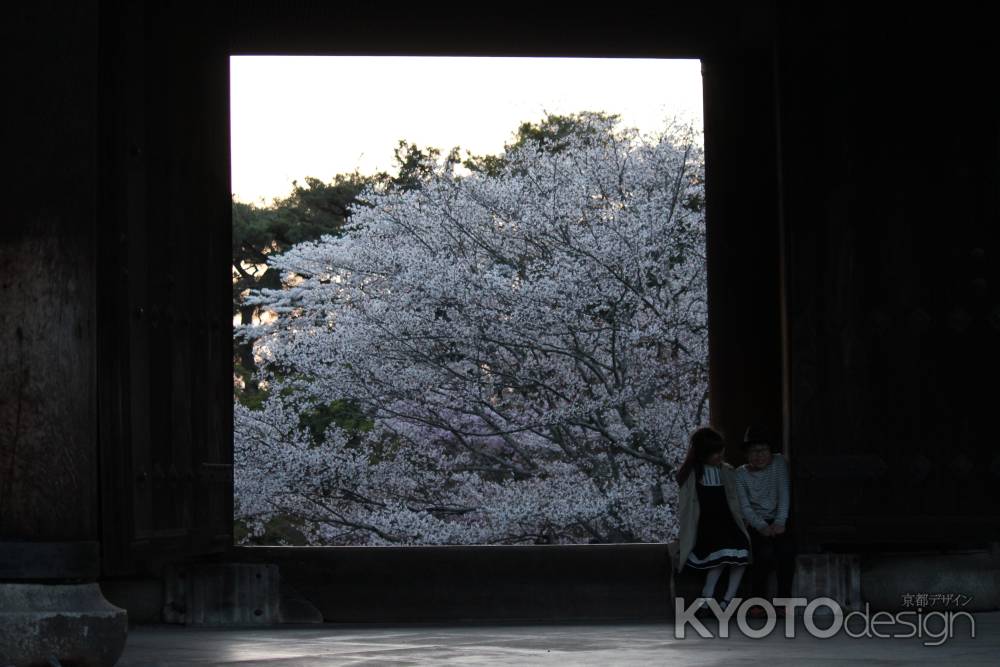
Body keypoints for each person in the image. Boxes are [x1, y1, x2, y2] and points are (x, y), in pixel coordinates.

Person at [673, 426, 752, 612]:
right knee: (721, 555)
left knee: (741, 553)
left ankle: (727, 599)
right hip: (706, 526)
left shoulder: (728, 471)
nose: (718, 456)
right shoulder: (691, 475)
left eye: (720, 451)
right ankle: (708, 595)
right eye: (713, 452)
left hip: (729, 522)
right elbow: (687, 509)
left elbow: (736, 500)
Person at [735, 427, 796, 616]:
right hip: (755, 521)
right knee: (762, 553)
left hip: (779, 518)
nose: (759, 456)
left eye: (763, 451)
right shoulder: (740, 474)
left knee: (786, 552)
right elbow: (744, 507)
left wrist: (780, 521)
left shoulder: (779, 463)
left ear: (770, 452)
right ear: (746, 454)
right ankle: (757, 601)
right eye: (753, 451)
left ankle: (783, 601)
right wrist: (760, 526)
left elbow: (784, 493)